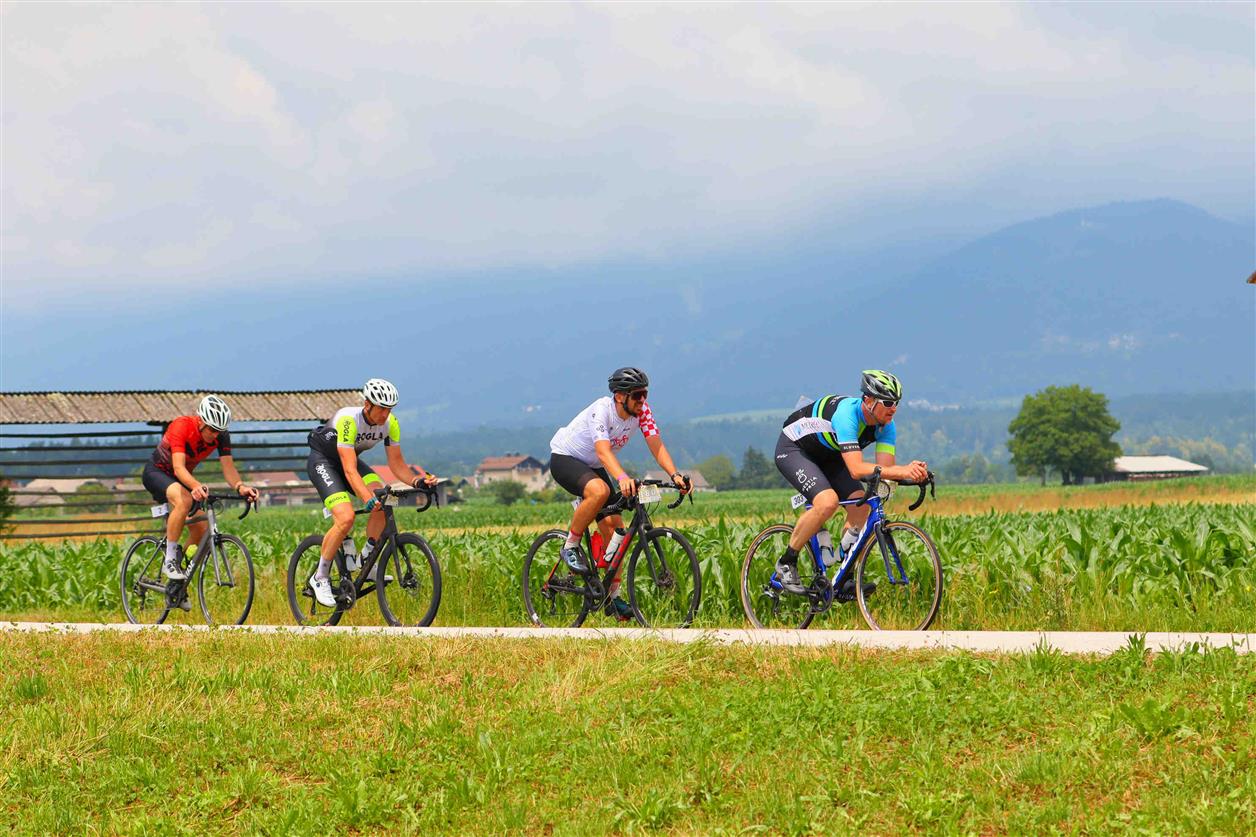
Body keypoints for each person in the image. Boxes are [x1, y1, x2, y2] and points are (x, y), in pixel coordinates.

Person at [548, 367, 691, 620]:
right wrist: (623, 478)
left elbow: (657, 447)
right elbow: (603, 452)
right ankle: (570, 546)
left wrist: (675, 475)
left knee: (617, 532)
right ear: (619, 396)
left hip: (592, 466)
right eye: (637, 395)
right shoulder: (601, 411)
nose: (643, 401)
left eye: (645, 394)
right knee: (600, 490)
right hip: (566, 459)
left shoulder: (642, 412)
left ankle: (611, 598)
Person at [773, 370, 928, 596]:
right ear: (869, 400)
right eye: (887, 402)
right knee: (827, 502)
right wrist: (900, 470)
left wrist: (914, 474)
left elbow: (885, 470)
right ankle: (787, 561)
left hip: (831, 455)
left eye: (896, 403)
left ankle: (844, 578)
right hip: (795, 449)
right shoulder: (847, 415)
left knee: (861, 507)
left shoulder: (886, 427)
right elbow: (856, 469)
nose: (893, 408)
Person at [305, 378, 438, 607]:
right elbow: (348, 469)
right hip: (324, 462)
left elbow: (397, 466)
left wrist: (419, 481)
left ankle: (365, 560)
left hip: (351, 463)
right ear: (367, 405)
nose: (386, 414)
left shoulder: (390, 424)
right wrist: (367, 498)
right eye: (382, 409)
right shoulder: (349, 420)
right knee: (346, 518)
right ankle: (320, 577)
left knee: (387, 499)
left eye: (390, 409)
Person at [142, 395, 259, 581]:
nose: (215, 435)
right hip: (157, 473)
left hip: (182, 479)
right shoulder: (182, 426)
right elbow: (178, 468)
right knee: (184, 500)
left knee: (202, 530)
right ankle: (170, 560)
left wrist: (240, 486)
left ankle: (178, 582)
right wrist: (195, 486)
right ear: (201, 421)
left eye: (219, 431)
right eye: (212, 429)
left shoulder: (220, 435)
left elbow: (228, 468)